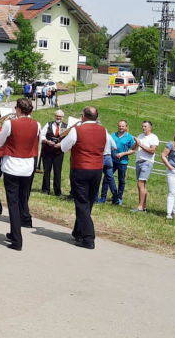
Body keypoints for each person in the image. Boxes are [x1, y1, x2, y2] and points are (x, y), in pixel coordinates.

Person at [0, 98, 40, 251]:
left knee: (13, 203)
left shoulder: (10, 123)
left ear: (19, 109)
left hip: (11, 166)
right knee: (22, 200)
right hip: (28, 166)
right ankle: (15, 233)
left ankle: (17, 238)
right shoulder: (37, 124)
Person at [60, 106, 106, 249]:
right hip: (97, 169)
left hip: (80, 168)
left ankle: (88, 237)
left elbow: (63, 147)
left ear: (83, 117)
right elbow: (104, 149)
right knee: (88, 202)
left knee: (81, 202)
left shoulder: (76, 130)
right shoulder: (103, 130)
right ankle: (78, 231)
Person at [131, 121, 159, 213]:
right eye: (142, 126)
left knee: (140, 183)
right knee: (142, 185)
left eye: (145, 126)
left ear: (150, 128)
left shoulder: (153, 137)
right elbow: (133, 148)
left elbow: (152, 150)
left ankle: (140, 207)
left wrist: (140, 145)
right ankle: (144, 207)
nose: (143, 128)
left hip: (147, 162)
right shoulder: (140, 136)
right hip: (139, 161)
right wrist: (136, 142)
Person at [105, 121, 135, 205]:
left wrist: (123, 154)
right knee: (107, 178)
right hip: (112, 160)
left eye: (122, 126)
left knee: (121, 180)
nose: (121, 128)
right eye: (119, 126)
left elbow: (133, 150)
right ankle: (104, 196)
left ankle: (119, 197)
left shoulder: (129, 137)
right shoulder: (113, 135)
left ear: (126, 127)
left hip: (123, 161)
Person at [40, 110, 67, 196]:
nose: (58, 117)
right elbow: (41, 134)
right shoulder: (48, 124)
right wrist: (46, 141)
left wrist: (61, 144)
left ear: (63, 117)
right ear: (54, 116)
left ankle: (57, 191)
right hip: (47, 151)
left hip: (58, 152)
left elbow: (69, 138)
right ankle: (45, 189)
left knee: (57, 171)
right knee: (46, 170)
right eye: (56, 116)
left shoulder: (66, 127)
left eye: (60, 116)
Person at [96, 128, 118, 204]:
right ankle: (115, 197)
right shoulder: (109, 136)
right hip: (108, 158)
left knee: (97, 177)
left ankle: (95, 197)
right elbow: (115, 147)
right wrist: (109, 149)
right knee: (111, 178)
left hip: (100, 157)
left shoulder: (98, 136)